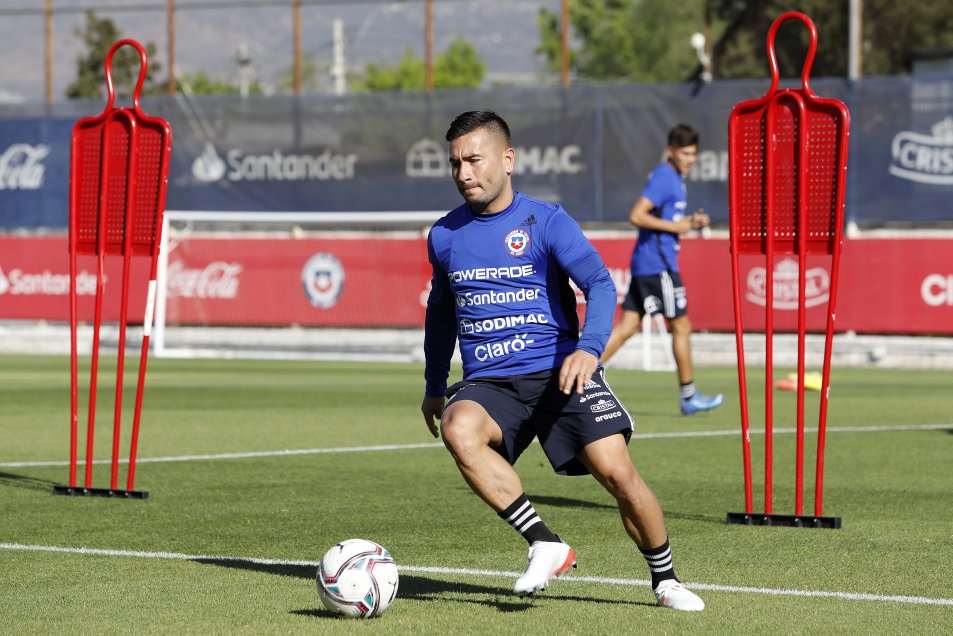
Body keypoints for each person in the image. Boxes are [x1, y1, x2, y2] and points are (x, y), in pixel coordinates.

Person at [420, 110, 705, 611]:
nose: (464, 173)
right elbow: (440, 315)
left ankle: (666, 581)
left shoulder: (546, 221)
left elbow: (598, 284)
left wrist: (589, 350)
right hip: (492, 383)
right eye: (455, 163)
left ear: (507, 160)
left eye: (474, 160)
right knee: (458, 428)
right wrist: (434, 384)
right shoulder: (443, 236)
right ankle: (545, 543)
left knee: (618, 474)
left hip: (559, 371)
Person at [601, 124, 724, 416]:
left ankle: (577, 377)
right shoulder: (665, 177)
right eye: (685, 153)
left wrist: (689, 222)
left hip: (648, 265)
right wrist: (677, 226)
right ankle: (689, 395)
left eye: (694, 153)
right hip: (659, 268)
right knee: (682, 326)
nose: (690, 159)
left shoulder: (673, 178)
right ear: (671, 152)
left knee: (627, 328)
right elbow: (636, 215)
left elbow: (665, 219)